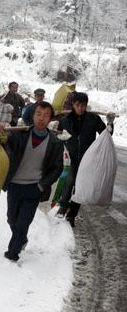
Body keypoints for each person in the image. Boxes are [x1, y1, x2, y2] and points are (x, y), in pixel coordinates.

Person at [0, 101, 64, 262]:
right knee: (12, 219)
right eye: (38, 114)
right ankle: (22, 240)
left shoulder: (55, 143)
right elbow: (3, 145)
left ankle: (12, 253)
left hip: (34, 188)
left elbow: (56, 168)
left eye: (46, 115)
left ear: (50, 119)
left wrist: (41, 186)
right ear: (33, 115)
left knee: (23, 222)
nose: (41, 118)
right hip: (15, 185)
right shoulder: (19, 134)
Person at [56, 92, 115, 227]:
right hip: (71, 157)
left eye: (83, 105)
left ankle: (71, 216)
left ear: (86, 105)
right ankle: (63, 206)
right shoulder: (65, 120)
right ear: (73, 105)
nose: (80, 108)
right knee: (69, 180)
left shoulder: (93, 119)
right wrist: (59, 135)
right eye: (77, 105)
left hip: (88, 158)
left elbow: (106, 134)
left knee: (80, 187)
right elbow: (57, 138)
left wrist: (110, 123)